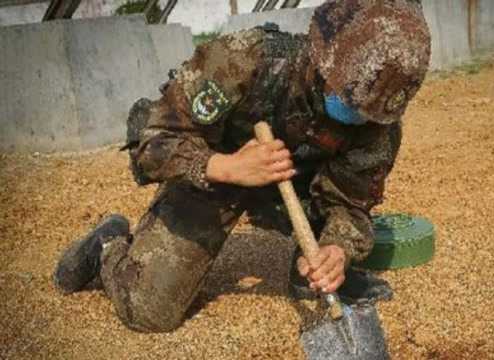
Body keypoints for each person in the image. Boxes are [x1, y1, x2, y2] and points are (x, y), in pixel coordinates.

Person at [53, 0, 431, 333]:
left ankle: (305, 270)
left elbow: (351, 204)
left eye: (363, 109)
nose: (352, 114)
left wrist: (336, 250)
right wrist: (227, 167)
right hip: (213, 177)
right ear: (321, 55)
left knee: (328, 248)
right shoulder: (242, 60)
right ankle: (108, 241)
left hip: (297, 189)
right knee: (150, 312)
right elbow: (152, 140)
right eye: (343, 94)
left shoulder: (377, 125)